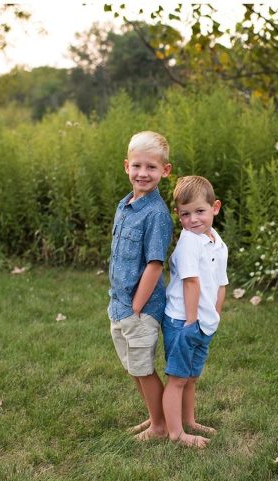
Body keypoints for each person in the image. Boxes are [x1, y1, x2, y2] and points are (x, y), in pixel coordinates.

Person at [108, 130, 173, 441]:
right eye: (137, 166)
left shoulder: (156, 214)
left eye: (151, 167)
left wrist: (136, 306)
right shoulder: (126, 206)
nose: (143, 173)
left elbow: (154, 264)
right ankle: (153, 417)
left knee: (144, 368)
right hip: (119, 304)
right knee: (134, 367)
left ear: (165, 171)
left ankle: (161, 427)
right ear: (126, 166)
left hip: (140, 307)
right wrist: (123, 305)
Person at [162, 176, 228, 448]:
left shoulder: (216, 241)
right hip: (183, 321)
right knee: (177, 379)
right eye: (185, 214)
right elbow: (191, 282)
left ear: (215, 207)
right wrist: (191, 321)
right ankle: (176, 433)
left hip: (204, 322)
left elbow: (221, 283)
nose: (193, 219)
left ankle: (189, 420)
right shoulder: (189, 241)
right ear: (178, 215)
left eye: (200, 211)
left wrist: (215, 316)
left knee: (191, 377)